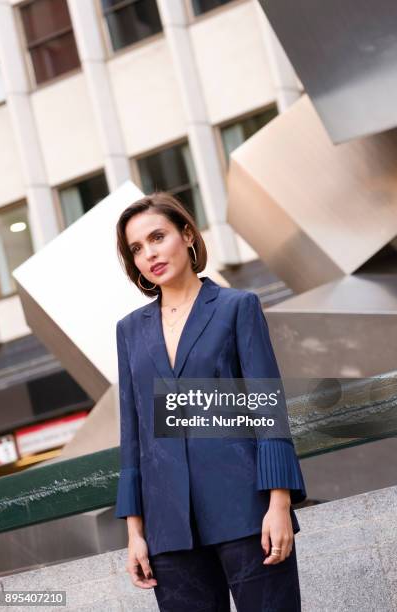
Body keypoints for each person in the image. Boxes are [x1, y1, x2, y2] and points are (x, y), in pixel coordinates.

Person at [114, 191, 307, 612]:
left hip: (247, 513)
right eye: (137, 248)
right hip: (170, 530)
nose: (149, 253)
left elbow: (266, 408)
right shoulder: (129, 331)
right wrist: (135, 532)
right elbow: (134, 434)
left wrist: (279, 503)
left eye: (157, 237)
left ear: (187, 235)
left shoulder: (237, 308)